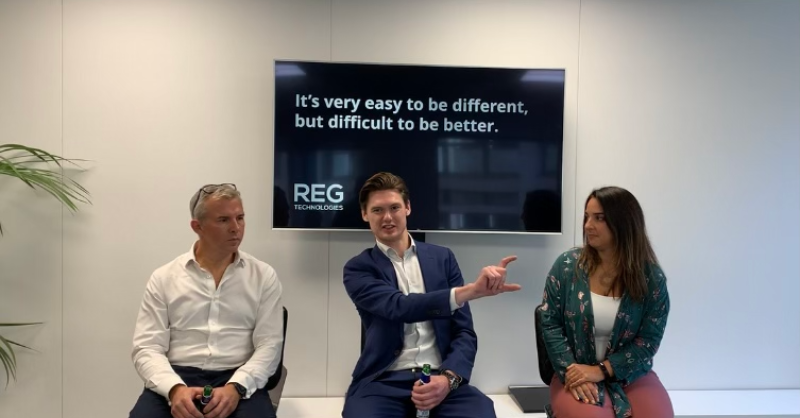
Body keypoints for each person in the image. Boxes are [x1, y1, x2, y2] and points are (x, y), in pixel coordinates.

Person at [341, 172, 521, 418]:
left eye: (394, 207)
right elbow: (399, 307)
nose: (387, 217)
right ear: (365, 214)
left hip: (441, 378)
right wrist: (469, 292)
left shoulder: (443, 258)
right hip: (383, 382)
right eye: (377, 210)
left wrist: (448, 380)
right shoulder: (359, 268)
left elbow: (464, 332)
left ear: (407, 208)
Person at [129, 183, 284, 418]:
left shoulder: (263, 276)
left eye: (240, 218)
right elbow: (147, 347)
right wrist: (174, 389)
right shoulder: (164, 278)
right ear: (197, 226)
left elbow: (269, 345)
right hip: (177, 376)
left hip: (237, 376)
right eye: (223, 220)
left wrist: (237, 387)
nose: (236, 228)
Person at [540, 186, 673, 418]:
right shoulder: (567, 266)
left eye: (599, 218)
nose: (587, 225)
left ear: (624, 223)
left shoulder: (651, 278)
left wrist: (601, 370)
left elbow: (648, 341)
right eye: (587, 217)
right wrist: (575, 373)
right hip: (574, 370)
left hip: (631, 373)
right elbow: (550, 324)